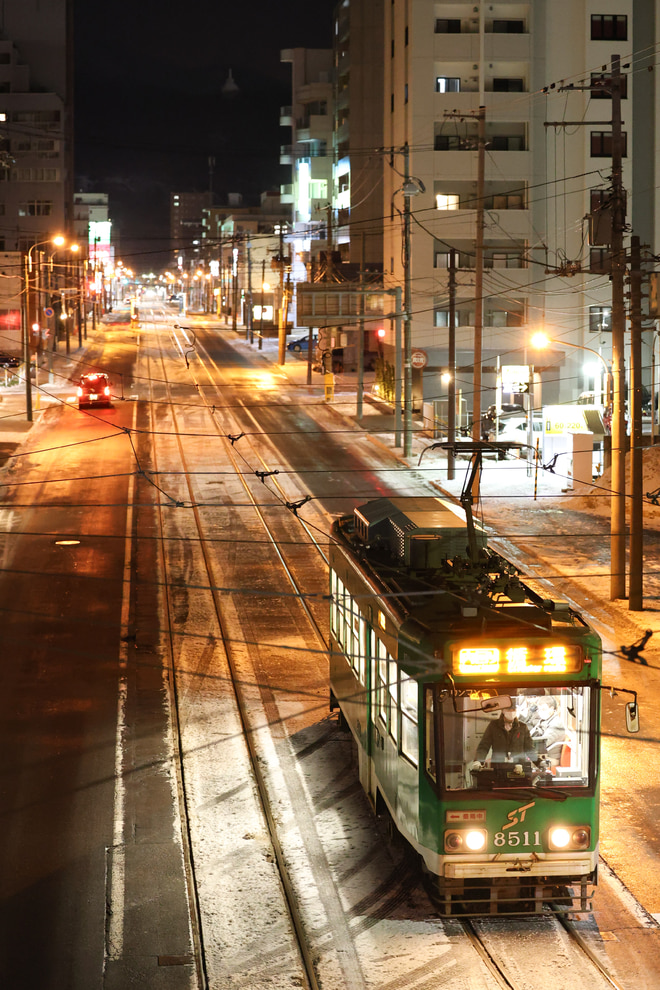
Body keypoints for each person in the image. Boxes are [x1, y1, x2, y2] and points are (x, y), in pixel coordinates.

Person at [472, 708, 538, 767]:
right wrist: (478, 761)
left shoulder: (522, 727)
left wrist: (539, 762)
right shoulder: (494, 726)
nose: (511, 712)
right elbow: (484, 746)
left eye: (513, 709)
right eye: (509, 709)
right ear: (503, 710)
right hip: (498, 768)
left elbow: (530, 749)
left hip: (518, 768)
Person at [527, 696, 566, 764]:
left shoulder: (556, 724)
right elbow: (531, 734)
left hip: (550, 758)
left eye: (543, 709)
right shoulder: (544, 720)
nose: (540, 712)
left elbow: (543, 743)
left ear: (552, 708)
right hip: (541, 755)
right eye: (539, 710)